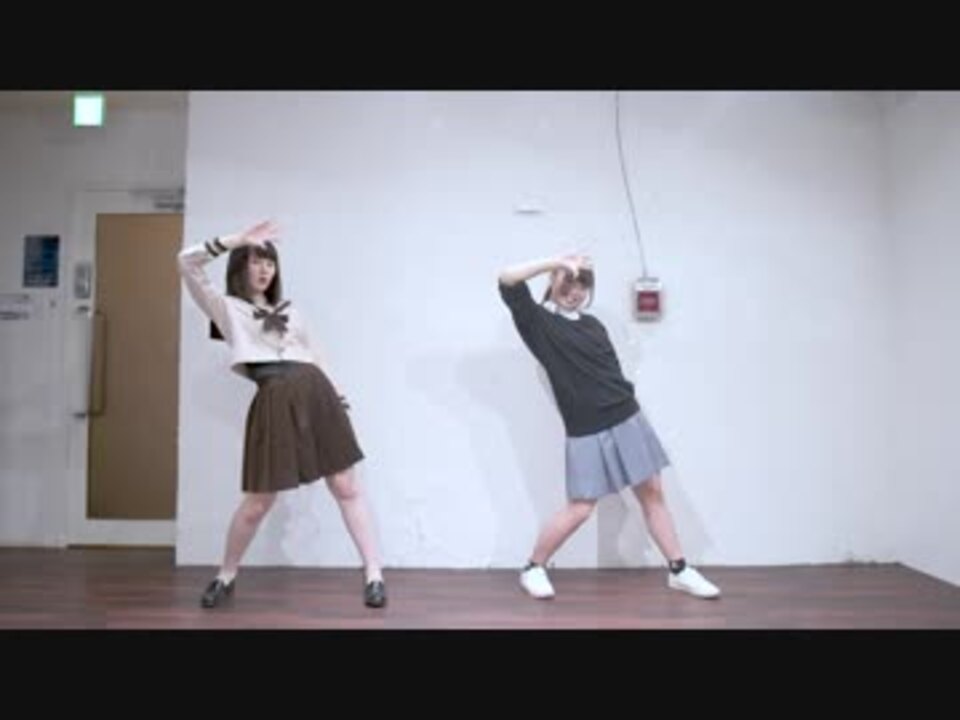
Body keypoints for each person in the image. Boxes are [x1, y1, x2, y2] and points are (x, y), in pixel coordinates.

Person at [177, 219, 386, 609]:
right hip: (273, 398)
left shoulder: (294, 312)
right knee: (258, 502)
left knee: (346, 487)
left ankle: (374, 574)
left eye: (269, 262)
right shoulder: (226, 308)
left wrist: (339, 401)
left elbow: (317, 358)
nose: (264, 269)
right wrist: (237, 240)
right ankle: (226, 575)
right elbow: (186, 262)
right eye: (255, 261)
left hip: (318, 396)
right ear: (240, 266)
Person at [497, 252, 720, 600]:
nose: (574, 291)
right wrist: (556, 261)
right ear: (553, 281)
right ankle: (533, 568)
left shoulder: (593, 325)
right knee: (581, 508)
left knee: (652, 494)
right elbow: (507, 278)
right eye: (567, 282)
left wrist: (629, 401)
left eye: (582, 284)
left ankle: (679, 570)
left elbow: (611, 371)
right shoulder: (538, 323)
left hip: (627, 416)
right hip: (586, 427)